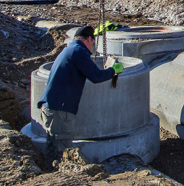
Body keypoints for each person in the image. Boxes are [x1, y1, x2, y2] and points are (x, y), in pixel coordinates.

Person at [36, 25, 123, 166]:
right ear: (89, 39)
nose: (92, 48)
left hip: (50, 106)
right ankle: (61, 179)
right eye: (93, 43)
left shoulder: (69, 50)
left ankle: (50, 172)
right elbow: (95, 76)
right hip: (60, 110)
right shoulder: (79, 52)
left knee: (52, 146)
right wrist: (113, 70)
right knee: (62, 151)